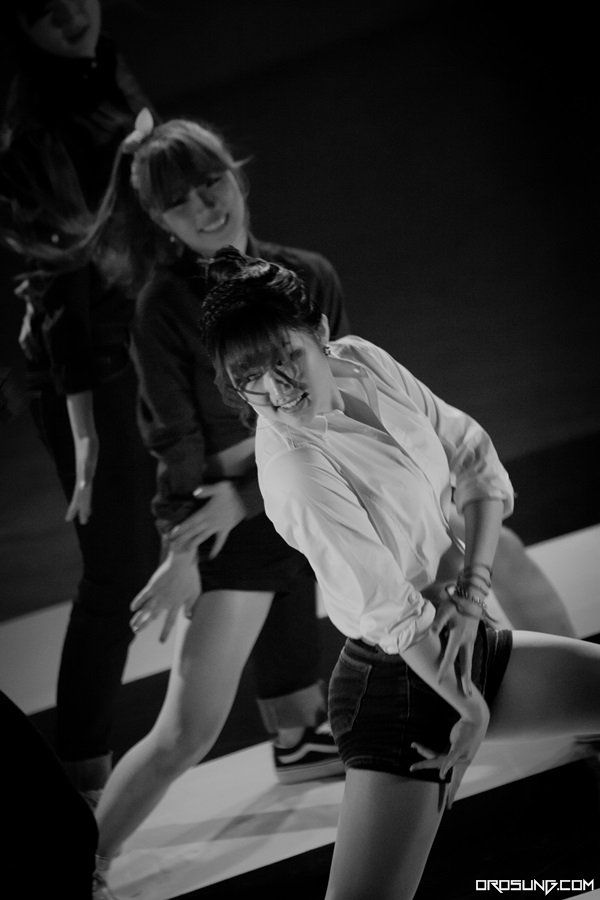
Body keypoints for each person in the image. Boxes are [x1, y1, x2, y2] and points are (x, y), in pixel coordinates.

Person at [197, 246, 600, 900]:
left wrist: (472, 593)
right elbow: (390, 611)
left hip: (463, 646)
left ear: (320, 332)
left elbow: (471, 456)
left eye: (287, 358)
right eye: (250, 379)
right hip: (403, 688)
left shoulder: (362, 361)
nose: (276, 390)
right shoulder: (295, 471)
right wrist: (467, 705)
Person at [67, 111, 353, 895]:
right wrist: (185, 547)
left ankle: (305, 741)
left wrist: (249, 486)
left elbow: (340, 407)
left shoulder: (308, 274)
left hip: (308, 499)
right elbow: (177, 444)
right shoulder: (164, 306)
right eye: (179, 201)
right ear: (158, 220)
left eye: (211, 182)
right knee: (186, 732)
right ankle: (84, 858)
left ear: (236, 175)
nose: (205, 206)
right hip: (240, 531)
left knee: (478, 550)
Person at [0, 0, 160, 801]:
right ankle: (82, 783)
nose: (69, 13)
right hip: (89, 366)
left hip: (145, 334)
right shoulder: (32, 123)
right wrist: (88, 433)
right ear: (20, 24)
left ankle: (295, 720)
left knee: (250, 504)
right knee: (119, 568)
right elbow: (58, 282)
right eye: (43, 6)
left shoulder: (105, 64)